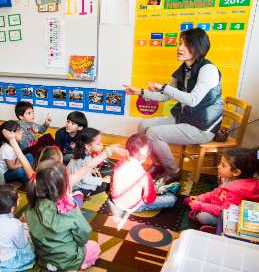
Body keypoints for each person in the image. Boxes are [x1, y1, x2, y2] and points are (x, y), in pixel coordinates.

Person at [123, 28, 223, 184]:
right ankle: (158, 164)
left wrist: (164, 87)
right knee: (143, 126)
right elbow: (164, 95)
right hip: (185, 118)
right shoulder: (184, 69)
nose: (179, 48)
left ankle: (173, 170)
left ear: (198, 47)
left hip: (202, 127)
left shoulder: (208, 70)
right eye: (180, 43)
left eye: (185, 44)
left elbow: (193, 99)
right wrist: (140, 92)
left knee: (154, 133)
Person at [26, 161, 101, 272]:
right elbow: (84, 235)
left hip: (45, 256)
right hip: (68, 260)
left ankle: (49, 268)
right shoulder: (70, 209)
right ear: (63, 187)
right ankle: (73, 271)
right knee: (95, 247)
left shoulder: (31, 207)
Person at [185, 146, 259, 227]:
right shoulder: (230, 179)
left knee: (203, 217)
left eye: (223, 166)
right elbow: (217, 192)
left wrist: (200, 205)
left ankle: (216, 228)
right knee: (189, 201)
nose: (218, 167)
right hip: (220, 205)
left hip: (228, 216)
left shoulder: (238, 192)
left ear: (236, 172)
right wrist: (200, 198)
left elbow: (224, 211)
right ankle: (197, 206)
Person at [110, 133, 178, 215]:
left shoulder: (119, 163)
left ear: (127, 151)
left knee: (146, 184)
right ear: (146, 157)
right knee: (172, 199)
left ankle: (154, 185)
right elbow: (149, 200)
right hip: (134, 206)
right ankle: (166, 190)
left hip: (116, 201)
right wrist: (153, 191)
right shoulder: (145, 176)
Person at [0, 185, 36, 272]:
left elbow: (2, 227)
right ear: (11, 208)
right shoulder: (14, 225)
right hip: (4, 262)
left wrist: (18, 223)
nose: (20, 198)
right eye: (18, 198)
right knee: (31, 242)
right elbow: (22, 244)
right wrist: (24, 225)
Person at [67, 128, 110, 198]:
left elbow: (79, 167)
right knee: (104, 186)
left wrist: (91, 170)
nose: (101, 145)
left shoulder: (80, 152)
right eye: (98, 143)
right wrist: (102, 180)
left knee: (96, 176)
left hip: (70, 178)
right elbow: (86, 179)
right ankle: (81, 193)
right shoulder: (86, 159)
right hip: (76, 184)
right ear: (88, 147)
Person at [0, 120, 34, 186]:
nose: (21, 132)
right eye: (18, 131)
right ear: (9, 135)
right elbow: (11, 167)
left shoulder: (15, 143)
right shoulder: (6, 149)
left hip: (13, 166)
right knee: (20, 171)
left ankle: (26, 175)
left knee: (29, 156)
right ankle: (26, 176)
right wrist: (21, 165)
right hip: (4, 175)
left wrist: (19, 163)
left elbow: (17, 156)